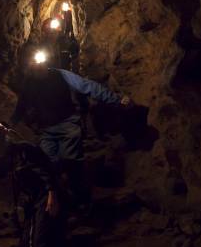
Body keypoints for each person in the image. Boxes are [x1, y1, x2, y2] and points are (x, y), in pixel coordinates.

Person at [12, 61, 131, 210]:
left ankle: (81, 201)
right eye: (35, 66)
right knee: (47, 164)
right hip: (46, 130)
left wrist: (115, 99)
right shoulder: (29, 85)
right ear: (30, 69)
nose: (39, 68)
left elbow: (86, 86)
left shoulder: (60, 74)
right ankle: (54, 204)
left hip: (68, 124)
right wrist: (9, 125)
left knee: (72, 162)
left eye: (40, 64)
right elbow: (20, 108)